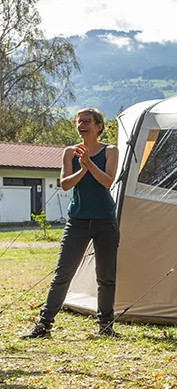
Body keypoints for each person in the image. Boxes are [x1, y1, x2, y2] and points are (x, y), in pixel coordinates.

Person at [22, 108, 120, 339]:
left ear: (99, 126)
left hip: (105, 220)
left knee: (106, 276)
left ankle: (105, 326)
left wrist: (89, 163)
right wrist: (82, 168)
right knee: (62, 274)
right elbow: (65, 184)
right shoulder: (69, 152)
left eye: (87, 121)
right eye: (79, 121)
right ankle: (44, 325)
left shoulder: (111, 151)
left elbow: (107, 182)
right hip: (77, 220)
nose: (81, 125)